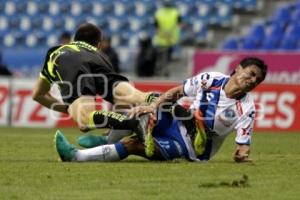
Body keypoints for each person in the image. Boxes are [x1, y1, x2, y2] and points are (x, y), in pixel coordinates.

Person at [54, 57, 268, 163]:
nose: (252, 81)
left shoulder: (246, 110)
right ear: (238, 68)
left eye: (257, 80)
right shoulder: (210, 79)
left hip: (193, 147)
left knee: (132, 145)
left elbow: (242, 147)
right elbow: (177, 92)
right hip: (181, 121)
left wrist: (242, 156)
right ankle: (110, 138)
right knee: (147, 103)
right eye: (250, 74)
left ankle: (76, 156)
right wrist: (153, 106)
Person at [32, 22, 157, 136]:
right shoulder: (102, 55)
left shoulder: (57, 51)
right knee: (127, 95)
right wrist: (116, 123)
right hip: (100, 61)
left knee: (85, 121)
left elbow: (38, 94)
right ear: (98, 44)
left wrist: (69, 109)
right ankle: (157, 101)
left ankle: (133, 123)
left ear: (74, 40)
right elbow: (120, 101)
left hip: (71, 63)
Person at [153, 0, 181, 76]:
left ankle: (163, 71)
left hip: (164, 38)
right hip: (169, 38)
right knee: (165, 57)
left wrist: (164, 33)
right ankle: (163, 71)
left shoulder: (159, 13)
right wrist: (169, 33)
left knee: (164, 57)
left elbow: (156, 27)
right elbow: (179, 24)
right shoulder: (175, 12)